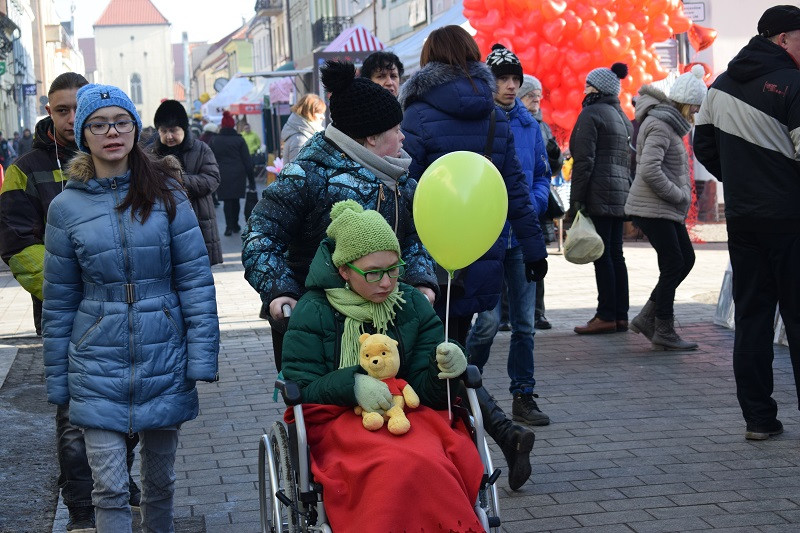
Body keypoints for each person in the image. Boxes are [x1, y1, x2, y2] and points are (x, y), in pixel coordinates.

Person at [42, 83, 220, 532]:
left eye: (121, 121)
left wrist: (201, 357)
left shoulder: (166, 194)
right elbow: (60, 301)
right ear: (84, 134)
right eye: (98, 124)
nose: (112, 132)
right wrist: (58, 381)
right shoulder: (65, 208)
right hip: (95, 359)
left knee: (160, 484)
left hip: (163, 354)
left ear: (135, 128)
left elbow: (195, 281)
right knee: (110, 489)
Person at [399, 25, 547, 490]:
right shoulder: (494, 116)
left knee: (437, 361)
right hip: (479, 252)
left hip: (426, 256)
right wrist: (535, 248)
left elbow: (403, 190)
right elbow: (515, 189)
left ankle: (464, 457)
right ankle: (501, 435)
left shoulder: (416, 116)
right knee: (451, 353)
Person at [281, 200, 484, 532]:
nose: (387, 282)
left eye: (393, 268)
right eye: (373, 272)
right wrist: (354, 384)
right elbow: (300, 387)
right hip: (339, 420)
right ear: (344, 269)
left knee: (428, 460)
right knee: (391, 465)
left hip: (409, 412)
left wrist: (446, 368)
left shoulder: (410, 303)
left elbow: (429, 392)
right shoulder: (312, 310)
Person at [0, 72, 141, 531]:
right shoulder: (26, 167)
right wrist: (69, 287)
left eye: (76, 108)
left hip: (128, 309)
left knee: (132, 399)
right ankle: (83, 505)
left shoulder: (124, 155)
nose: (70, 118)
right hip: (65, 310)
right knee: (76, 411)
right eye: (61, 109)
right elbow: (17, 240)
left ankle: (117, 481)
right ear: (49, 110)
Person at [243, 60, 436, 372]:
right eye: (397, 130)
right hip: (316, 327)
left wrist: (421, 280)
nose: (403, 139)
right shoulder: (306, 175)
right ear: (371, 137)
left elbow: (415, 238)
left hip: (385, 318)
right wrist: (280, 291)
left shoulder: (401, 180)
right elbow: (260, 237)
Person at [694, 5, 800, 441]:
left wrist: (739, 180)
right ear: (782, 40)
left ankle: (759, 419)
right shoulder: (793, 84)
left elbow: (703, 145)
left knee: (752, 319)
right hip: (789, 219)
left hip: (742, 218)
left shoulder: (719, 86)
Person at [466, 44, 551, 427]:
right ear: (489, 81)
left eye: (516, 78)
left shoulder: (531, 124)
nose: (511, 86)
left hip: (522, 234)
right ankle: (466, 386)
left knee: (524, 324)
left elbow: (540, 175)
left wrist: (532, 205)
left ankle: (524, 394)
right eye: (503, 78)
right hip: (485, 234)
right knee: (485, 322)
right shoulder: (477, 121)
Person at [625, 66, 707, 351]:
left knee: (684, 260)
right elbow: (649, 169)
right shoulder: (660, 123)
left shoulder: (668, 123)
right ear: (686, 101)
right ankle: (662, 326)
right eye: (695, 104)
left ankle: (649, 318)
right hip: (653, 207)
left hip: (662, 208)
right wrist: (679, 194)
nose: (697, 110)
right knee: (675, 262)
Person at [568, 62, 634, 335]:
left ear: (597, 88)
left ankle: (605, 314)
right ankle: (620, 315)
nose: (585, 89)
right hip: (619, 195)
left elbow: (584, 161)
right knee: (615, 254)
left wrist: (576, 201)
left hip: (598, 193)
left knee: (602, 255)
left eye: (588, 84)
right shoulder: (621, 116)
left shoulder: (591, 114)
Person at [150, 99, 223, 265]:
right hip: (162, 225)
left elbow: (212, 179)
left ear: (184, 128)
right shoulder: (151, 154)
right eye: (163, 131)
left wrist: (178, 180)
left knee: (198, 276)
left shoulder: (201, 149)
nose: (169, 136)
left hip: (198, 221)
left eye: (173, 130)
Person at [519, 74, 564, 331]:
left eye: (538, 96)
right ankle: (507, 314)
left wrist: (555, 154)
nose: (536, 100)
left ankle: (538, 312)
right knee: (512, 259)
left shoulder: (542, 125)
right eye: (531, 96)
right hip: (517, 200)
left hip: (536, 202)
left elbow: (550, 168)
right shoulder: (510, 122)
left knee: (536, 257)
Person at [210, 110, 254, 236]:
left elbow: (210, 159)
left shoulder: (215, 140)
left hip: (222, 173)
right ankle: (235, 224)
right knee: (235, 200)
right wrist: (251, 181)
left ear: (222, 126)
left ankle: (229, 226)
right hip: (238, 174)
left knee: (227, 201)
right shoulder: (239, 140)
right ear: (233, 125)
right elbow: (247, 161)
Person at [279, 94, 326, 163]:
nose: (323, 117)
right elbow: (298, 171)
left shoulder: (306, 134)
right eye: (319, 113)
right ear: (308, 113)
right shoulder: (300, 139)